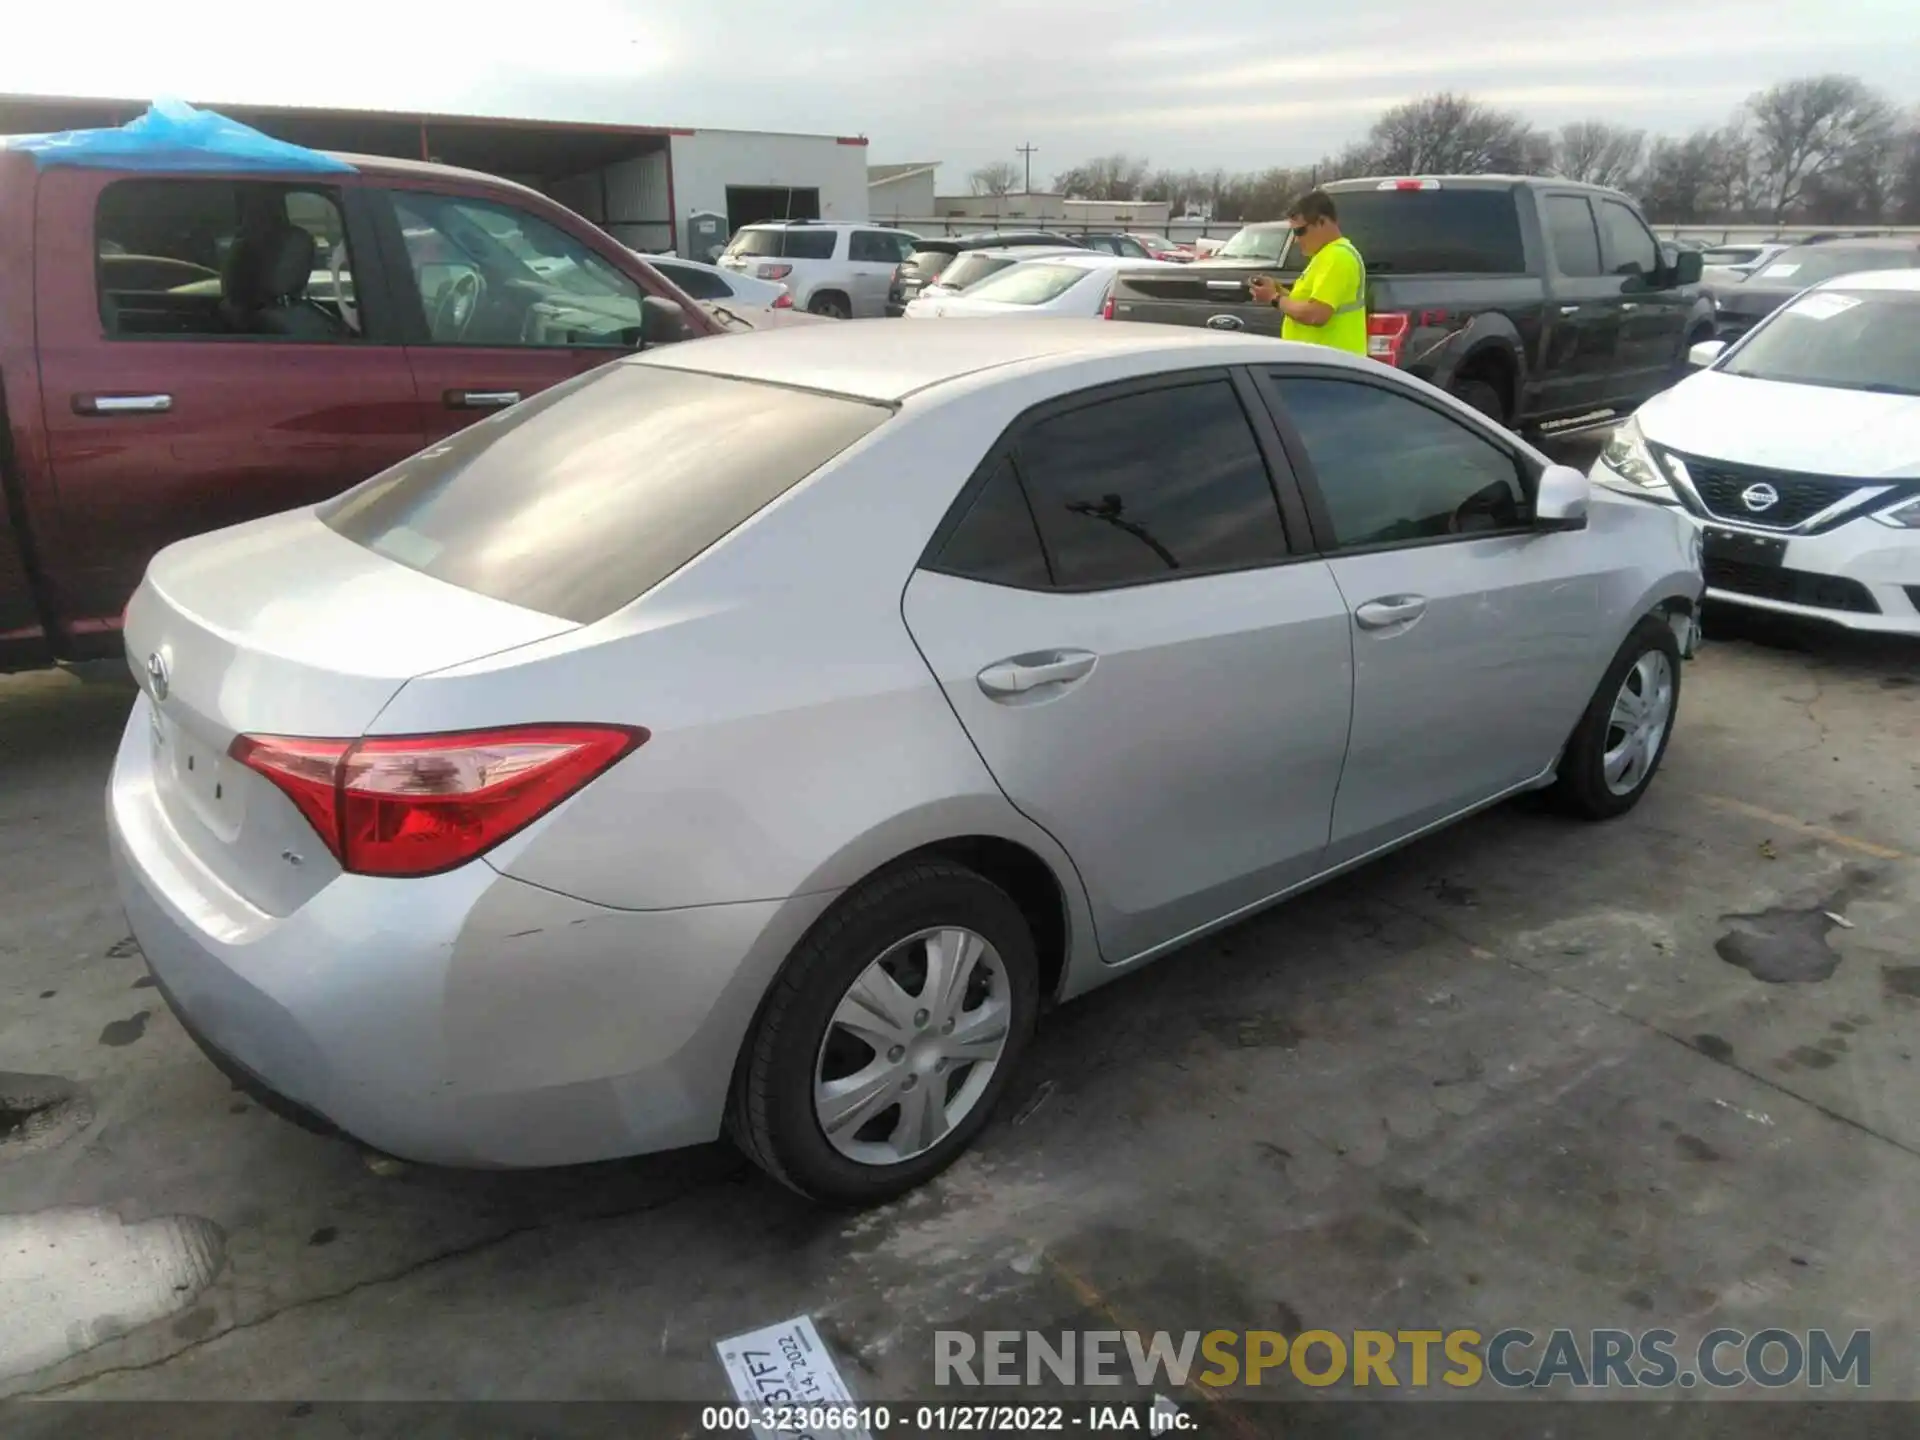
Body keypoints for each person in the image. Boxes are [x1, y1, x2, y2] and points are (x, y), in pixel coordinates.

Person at [1248, 190, 1367, 355]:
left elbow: (1316, 314)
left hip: (1330, 366)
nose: (1296, 240)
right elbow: (1309, 302)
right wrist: (1278, 291)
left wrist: (1274, 298)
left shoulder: (1337, 257)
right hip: (1323, 363)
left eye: (1300, 231)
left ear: (1321, 222)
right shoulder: (1326, 255)